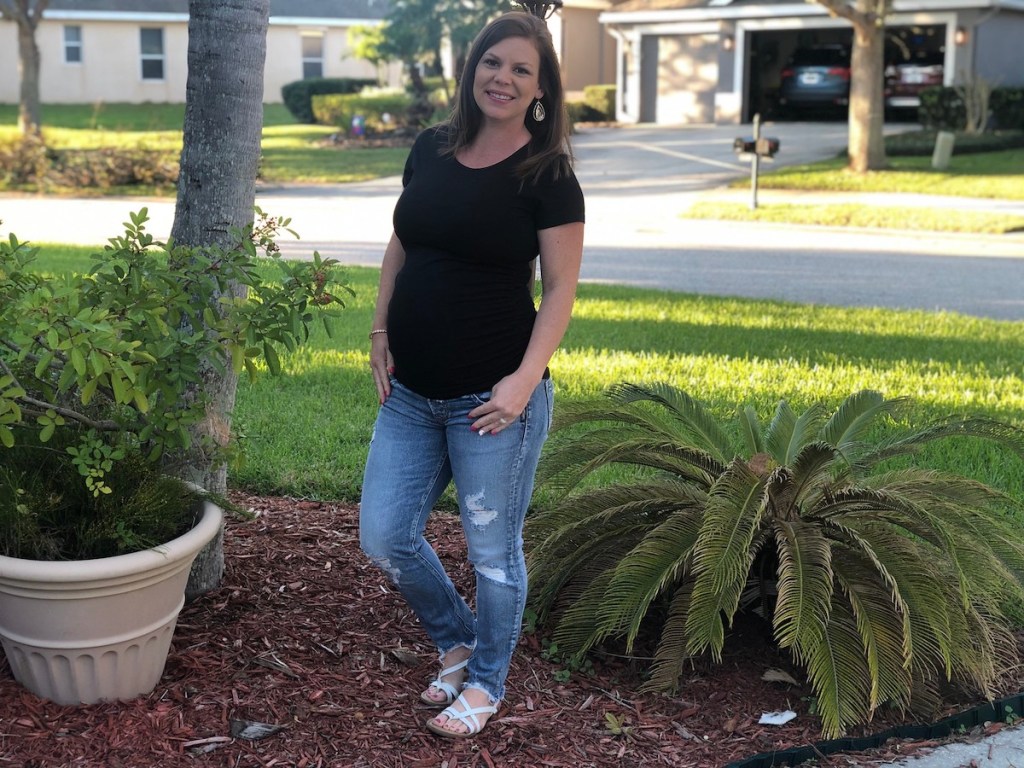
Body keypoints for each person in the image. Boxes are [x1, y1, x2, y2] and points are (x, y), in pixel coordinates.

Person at [358, 11, 585, 740]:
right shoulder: (431, 148)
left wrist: (523, 382)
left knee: (493, 553)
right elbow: (402, 244)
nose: (504, 78)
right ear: (473, 70)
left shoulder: (547, 177)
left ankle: (486, 681)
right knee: (385, 536)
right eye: (495, 63)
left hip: (493, 402)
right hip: (412, 394)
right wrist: (380, 328)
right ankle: (456, 638)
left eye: (523, 69)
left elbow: (559, 292)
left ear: (541, 88)